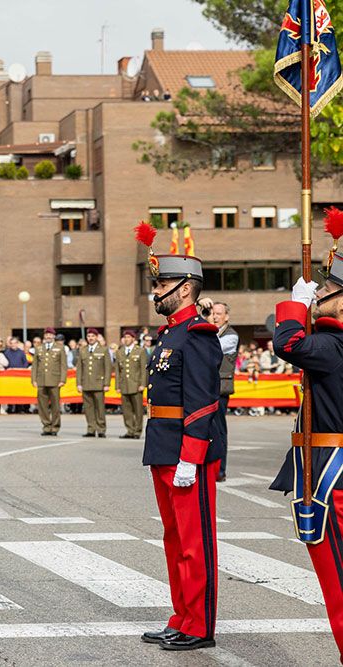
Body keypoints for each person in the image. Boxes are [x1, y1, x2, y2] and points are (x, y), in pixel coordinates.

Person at [135, 224, 223, 651]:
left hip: (188, 452)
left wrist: (191, 457)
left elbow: (204, 401)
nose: (157, 291)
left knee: (195, 541)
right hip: (164, 445)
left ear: (186, 289)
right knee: (174, 539)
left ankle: (200, 625)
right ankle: (182, 616)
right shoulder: (170, 333)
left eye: (164, 283)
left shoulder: (198, 335)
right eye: (157, 283)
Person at [269, 262, 343, 662]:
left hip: (335, 480)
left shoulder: (332, 347)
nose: (318, 293)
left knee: (340, 587)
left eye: (327, 289)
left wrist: (295, 306)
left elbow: (289, 345)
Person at [201, 301, 237, 481]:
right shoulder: (211, 332)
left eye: (218, 313)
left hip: (221, 389)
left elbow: (211, 348)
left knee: (220, 430)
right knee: (203, 428)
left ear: (226, 317)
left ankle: (220, 469)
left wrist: (205, 323)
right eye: (212, 313)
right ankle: (207, 465)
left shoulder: (231, 336)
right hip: (205, 387)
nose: (214, 316)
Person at [75, 328, 110, 438]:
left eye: (93, 336)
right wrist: (79, 383)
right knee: (88, 408)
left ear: (96, 337)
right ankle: (91, 428)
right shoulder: (83, 350)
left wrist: (106, 383)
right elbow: (79, 368)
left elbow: (107, 368)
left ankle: (101, 429)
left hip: (99, 384)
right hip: (86, 384)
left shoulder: (103, 350)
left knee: (99, 408)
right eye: (89, 336)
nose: (91, 338)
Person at [32, 327, 67, 436]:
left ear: (53, 336)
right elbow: (35, 365)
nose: (48, 336)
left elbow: (63, 365)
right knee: (43, 406)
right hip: (41, 380)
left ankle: (55, 427)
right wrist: (34, 379)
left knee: (56, 406)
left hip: (54, 380)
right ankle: (46, 426)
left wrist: (62, 379)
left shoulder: (60, 348)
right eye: (46, 335)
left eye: (50, 335)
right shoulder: (39, 348)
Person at [114, 329, 148, 439]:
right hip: (124, 385)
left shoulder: (140, 351)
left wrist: (143, 384)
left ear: (133, 339)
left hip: (136, 384)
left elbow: (143, 369)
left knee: (138, 410)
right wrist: (117, 385)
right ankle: (129, 430)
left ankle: (137, 431)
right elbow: (118, 371)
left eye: (129, 337)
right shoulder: (120, 352)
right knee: (126, 410)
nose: (126, 339)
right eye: (125, 337)